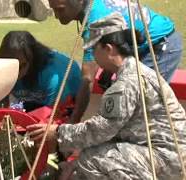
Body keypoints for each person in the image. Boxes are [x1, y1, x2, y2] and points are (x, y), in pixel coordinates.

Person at [27, 13, 186, 180]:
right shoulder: (135, 72)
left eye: (94, 49)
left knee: (91, 160)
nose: (93, 56)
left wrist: (58, 133)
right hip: (167, 152)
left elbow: (100, 130)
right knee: (87, 158)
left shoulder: (126, 84)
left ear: (108, 49)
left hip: (168, 158)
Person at [47, 0, 183, 122]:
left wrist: (74, 119)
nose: (56, 16)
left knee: (141, 106)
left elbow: (88, 78)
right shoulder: (92, 6)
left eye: (60, 9)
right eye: (53, 9)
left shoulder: (96, 20)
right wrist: (107, 72)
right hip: (138, 45)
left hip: (160, 46)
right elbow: (115, 44)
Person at [0, 31, 82, 119]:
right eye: (12, 66)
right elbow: (0, 109)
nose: (17, 72)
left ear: (33, 59)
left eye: (22, 65)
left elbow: (53, 117)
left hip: (64, 101)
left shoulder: (52, 75)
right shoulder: (2, 71)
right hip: (35, 98)